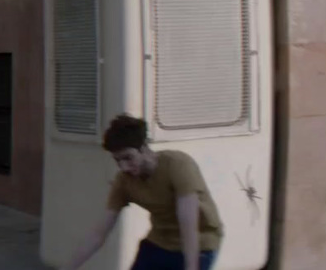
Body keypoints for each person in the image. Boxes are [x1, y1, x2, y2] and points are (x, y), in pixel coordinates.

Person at [62, 115, 223, 270]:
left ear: (144, 148)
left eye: (128, 158)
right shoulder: (123, 181)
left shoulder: (177, 165)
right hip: (160, 242)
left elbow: (188, 223)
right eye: (118, 161)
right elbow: (98, 234)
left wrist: (191, 267)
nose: (124, 167)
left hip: (200, 242)